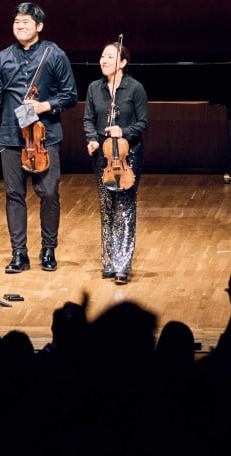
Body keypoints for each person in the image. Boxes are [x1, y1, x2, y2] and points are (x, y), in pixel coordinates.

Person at [0, 2, 78, 273]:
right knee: (13, 195)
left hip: (45, 137)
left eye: (26, 22)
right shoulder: (3, 58)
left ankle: (48, 249)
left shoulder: (54, 55)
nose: (20, 26)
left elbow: (70, 95)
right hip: (11, 136)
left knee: (48, 193)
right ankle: (19, 253)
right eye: (17, 21)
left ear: (39, 27)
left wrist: (45, 106)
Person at [81, 40, 148, 284]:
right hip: (104, 153)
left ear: (123, 63)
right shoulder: (93, 88)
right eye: (102, 55)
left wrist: (124, 131)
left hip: (129, 152)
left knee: (126, 207)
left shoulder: (135, 88)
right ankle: (108, 260)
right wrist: (92, 139)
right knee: (106, 205)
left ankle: (123, 264)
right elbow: (88, 119)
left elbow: (143, 122)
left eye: (110, 56)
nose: (104, 60)